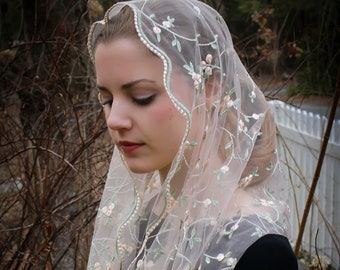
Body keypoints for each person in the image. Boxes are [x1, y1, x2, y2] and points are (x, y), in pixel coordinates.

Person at [87, 0, 298, 269]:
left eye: (141, 97)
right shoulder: (147, 219)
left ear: (209, 91)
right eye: (106, 100)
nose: (114, 120)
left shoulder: (260, 253)